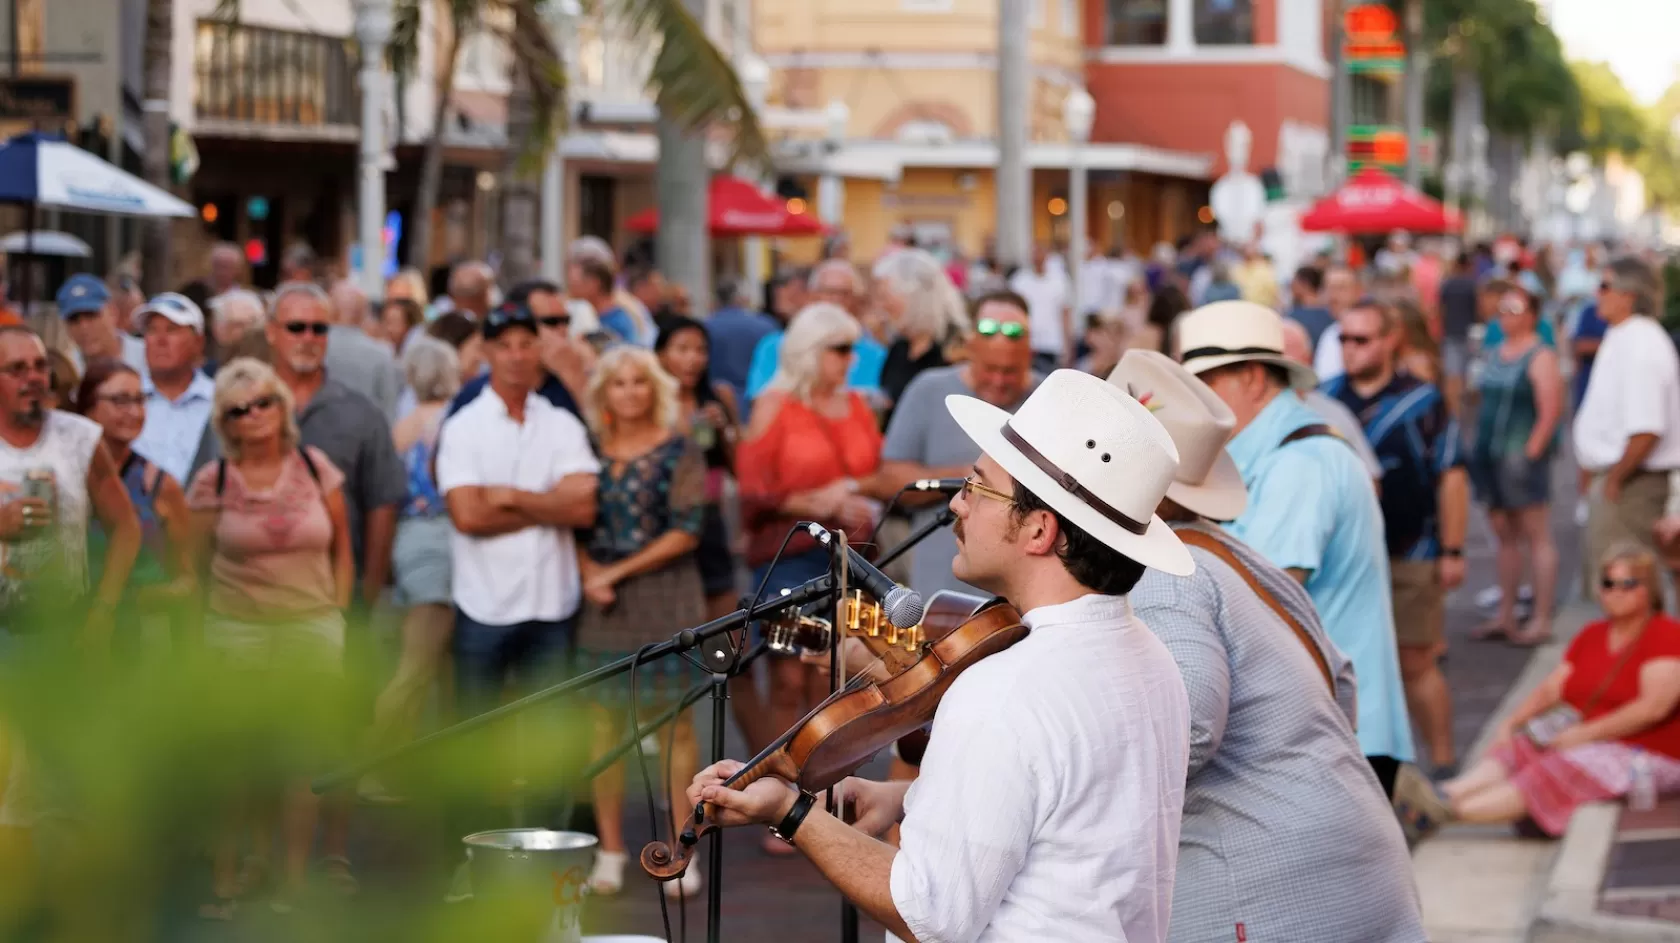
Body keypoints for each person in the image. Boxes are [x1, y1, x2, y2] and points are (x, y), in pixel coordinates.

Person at [686, 368, 1193, 942]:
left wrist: (789, 811)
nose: (957, 504)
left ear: (1039, 531)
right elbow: (1075, 811)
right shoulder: (1150, 655)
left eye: (977, 487)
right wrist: (908, 797)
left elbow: (928, 914)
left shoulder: (1004, 689)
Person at [1112, 349, 1426, 941]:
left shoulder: (1163, 572)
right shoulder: (1229, 552)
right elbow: (1340, 680)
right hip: (1343, 859)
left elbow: (1188, 730)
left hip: (1266, 890)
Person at [1178, 301, 1414, 795]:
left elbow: (1262, 598)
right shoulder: (1284, 450)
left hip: (1335, 731)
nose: (1195, 400)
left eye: (1206, 382)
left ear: (1254, 378)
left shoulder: (1300, 461)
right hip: (1327, 726)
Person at [185, 357, 353, 916]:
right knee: (238, 759)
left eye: (264, 402)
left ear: (283, 407)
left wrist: (338, 612)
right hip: (238, 631)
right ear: (225, 424)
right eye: (239, 409)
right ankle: (231, 877)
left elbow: (342, 547)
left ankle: (294, 880)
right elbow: (191, 563)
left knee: (303, 760)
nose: (254, 414)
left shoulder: (314, 465)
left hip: (311, 626)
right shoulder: (215, 481)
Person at [1400, 543, 1680, 842]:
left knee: (1554, 768)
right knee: (1520, 747)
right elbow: (1552, 689)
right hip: (1591, 736)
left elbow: (1652, 708)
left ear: (1647, 590)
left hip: (1647, 752)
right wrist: (1512, 723)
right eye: (1608, 584)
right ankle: (1443, 795)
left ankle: (1441, 811)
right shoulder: (1592, 634)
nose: (1616, 592)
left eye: (1627, 584)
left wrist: (1585, 734)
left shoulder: (1665, 635)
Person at [735, 302, 881, 854]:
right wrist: (815, 502)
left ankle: (828, 796)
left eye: (853, 349)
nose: (850, 360)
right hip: (788, 562)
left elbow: (873, 469)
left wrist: (856, 494)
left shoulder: (856, 405)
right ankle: (782, 799)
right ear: (809, 351)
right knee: (790, 679)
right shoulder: (773, 404)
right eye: (840, 349)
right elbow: (751, 495)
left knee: (839, 678)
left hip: (853, 563)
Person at [572, 347, 709, 898]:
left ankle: (682, 849)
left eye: (638, 382)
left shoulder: (680, 449)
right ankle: (610, 849)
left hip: (669, 595)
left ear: (654, 388)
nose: (629, 391)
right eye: (618, 383)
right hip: (603, 605)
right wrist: (590, 574)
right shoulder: (586, 452)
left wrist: (614, 571)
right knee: (603, 727)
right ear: (603, 392)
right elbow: (572, 524)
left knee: (676, 726)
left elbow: (689, 527)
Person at [1323, 298, 1470, 778]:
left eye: (1361, 339)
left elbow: (1451, 476)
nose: (1350, 349)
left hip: (1411, 553)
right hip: (1344, 560)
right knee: (1346, 667)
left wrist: (1451, 549)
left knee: (1415, 663)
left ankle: (1445, 764)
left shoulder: (1422, 400)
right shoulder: (1325, 400)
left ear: (1391, 342)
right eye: (1343, 338)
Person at [435, 302, 599, 721]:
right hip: (483, 601)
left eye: (526, 344)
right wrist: (551, 505)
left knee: (549, 738)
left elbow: (583, 509)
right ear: (487, 351)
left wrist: (511, 496)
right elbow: (469, 517)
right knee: (476, 733)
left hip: (551, 602)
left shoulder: (561, 422)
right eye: (504, 345)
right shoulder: (464, 426)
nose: (516, 355)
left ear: (538, 350)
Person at [875, 291, 1037, 598]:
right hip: (940, 589)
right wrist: (975, 478)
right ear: (969, 348)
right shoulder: (929, 389)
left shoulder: (1047, 400)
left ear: (1030, 354)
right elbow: (891, 481)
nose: (999, 381)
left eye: (1011, 372)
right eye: (989, 369)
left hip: (1021, 599)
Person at [360, 338, 462, 804]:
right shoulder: (451, 421)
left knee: (431, 664)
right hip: (438, 544)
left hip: (408, 542)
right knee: (417, 665)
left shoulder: (399, 427)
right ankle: (368, 762)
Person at [1574, 256, 1680, 603]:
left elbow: (1647, 429)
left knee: (1628, 593)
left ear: (1629, 294)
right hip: (1624, 479)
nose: (1597, 293)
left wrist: (1617, 478)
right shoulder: (1628, 338)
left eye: (1605, 285)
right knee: (1620, 594)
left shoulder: (1641, 344)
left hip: (1633, 485)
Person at [73, 359, 195, 651]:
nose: (134, 412)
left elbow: (188, 580)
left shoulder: (159, 485)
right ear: (87, 407)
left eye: (140, 400)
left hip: (143, 635)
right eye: (120, 400)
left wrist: (147, 595)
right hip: (68, 629)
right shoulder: (66, 474)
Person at [1469, 283, 1563, 645]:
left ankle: (1540, 617)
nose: (1506, 316)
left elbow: (1550, 410)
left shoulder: (1540, 355)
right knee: (1504, 535)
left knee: (1537, 534)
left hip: (1518, 456)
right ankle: (1505, 614)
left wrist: (1531, 452)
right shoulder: (1495, 352)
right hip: (1489, 454)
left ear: (1532, 316)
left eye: (1514, 309)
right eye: (1503, 309)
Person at [745, 261, 887, 400]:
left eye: (844, 294)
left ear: (857, 301)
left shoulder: (875, 353)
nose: (836, 300)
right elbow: (760, 398)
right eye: (828, 292)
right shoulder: (775, 346)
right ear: (811, 296)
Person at [1278, 318, 1383, 481]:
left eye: (1290, 357)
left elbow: (1370, 481)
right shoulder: (1246, 415)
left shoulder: (1332, 412)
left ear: (1308, 360)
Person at [871, 248, 969, 417]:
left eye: (885, 297)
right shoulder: (900, 347)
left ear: (913, 297)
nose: (881, 305)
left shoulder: (956, 350)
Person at [131, 293, 215, 485]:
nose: (160, 340)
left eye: (172, 330)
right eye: (151, 330)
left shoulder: (220, 401)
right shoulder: (123, 399)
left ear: (198, 342)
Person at [56, 273, 147, 379]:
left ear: (113, 312)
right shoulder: (68, 370)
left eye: (91, 315)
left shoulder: (146, 357)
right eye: (74, 319)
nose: (84, 327)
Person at [1009, 244, 1073, 372]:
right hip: (1027, 342)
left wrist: (1068, 346)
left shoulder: (1059, 280)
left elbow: (1065, 313)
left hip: (1051, 343)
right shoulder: (1019, 280)